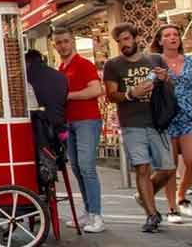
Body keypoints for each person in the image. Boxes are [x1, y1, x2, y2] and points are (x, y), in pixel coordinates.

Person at [103, 24, 173, 233]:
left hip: (157, 122)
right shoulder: (113, 65)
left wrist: (164, 79)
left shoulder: (155, 60)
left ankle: (143, 196)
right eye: (120, 41)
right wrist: (131, 93)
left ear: (135, 38)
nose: (124, 44)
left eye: (126, 39)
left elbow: (169, 88)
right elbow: (111, 95)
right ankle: (151, 215)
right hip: (132, 123)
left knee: (168, 169)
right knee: (142, 168)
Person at [152, 25, 192, 221]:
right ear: (160, 41)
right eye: (167, 35)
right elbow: (149, 87)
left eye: (176, 34)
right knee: (170, 164)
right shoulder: (154, 62)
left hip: (189, 115)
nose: (172, 37)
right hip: (165, 117)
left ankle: (181, 194)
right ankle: (171, 209)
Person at [52, 29, 107, 233]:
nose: (63, 46)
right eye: (59, 43)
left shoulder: (84, 64)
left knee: (87, 167)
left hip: (87, 120)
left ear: (72, 42)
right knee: (76, 167)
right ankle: (88, 211)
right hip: (70, 122)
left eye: (66, 41)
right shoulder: (61, 68)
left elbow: (96, 90)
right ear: (54, 45)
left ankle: (97, 215)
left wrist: (68, 95)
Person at [25, 49, 68, 133]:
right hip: (61, 124)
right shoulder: (59, 75)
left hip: (41, 126)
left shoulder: (26, 77)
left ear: (27, 61)